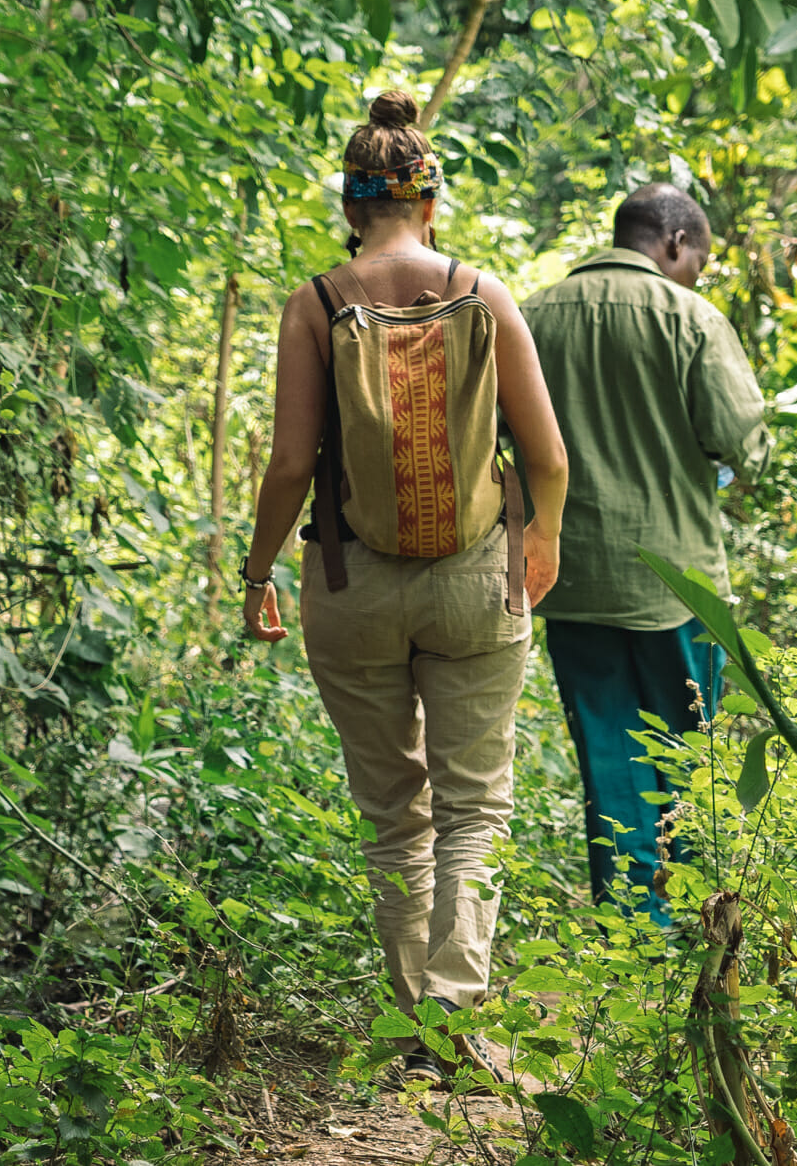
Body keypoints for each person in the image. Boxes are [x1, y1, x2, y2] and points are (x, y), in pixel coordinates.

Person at [239, 90, 569, 1085]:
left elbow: (291, 463)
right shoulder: (483, 294)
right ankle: (452, 1013)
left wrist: (256, 571)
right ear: (429, 202)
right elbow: (544, 455)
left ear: (350, 206)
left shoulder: (316, 301)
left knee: (395, 809)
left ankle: (412, 1027)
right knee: (475, 807)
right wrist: (540, 537)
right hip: (476, 580)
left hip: (351, 581)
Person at [521, 183, 770, 918]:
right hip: (678, 584)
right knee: (691, 763)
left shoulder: (531, 316)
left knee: (609, 762)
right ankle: (699, 925)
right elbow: (744, 443)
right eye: (700, 258)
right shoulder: (693, 318)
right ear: (672, 243)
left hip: (572, 580)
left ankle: (631, 935)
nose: (696, 274)